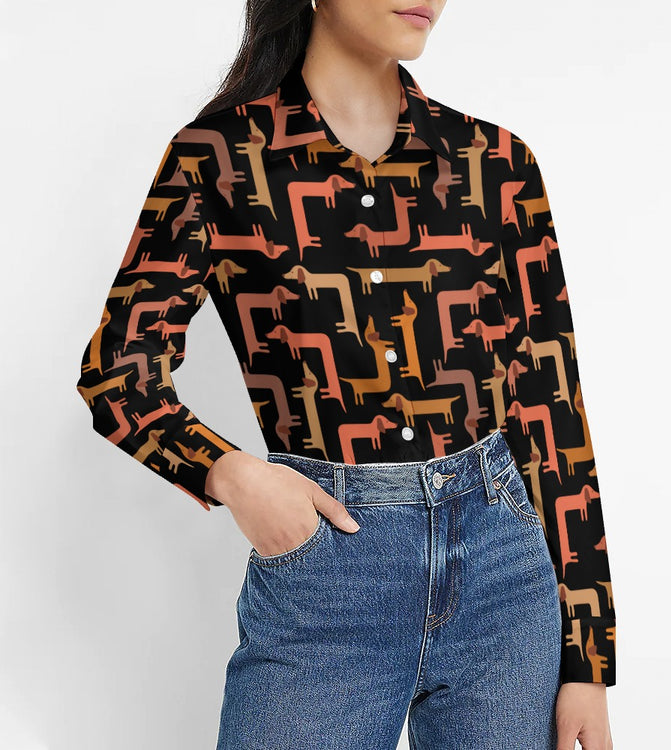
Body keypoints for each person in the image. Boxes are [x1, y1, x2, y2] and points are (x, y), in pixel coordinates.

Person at [75, 0, 617, 747]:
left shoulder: (496, 164)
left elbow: (551, 404)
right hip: (327, 568)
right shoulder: (219, 159)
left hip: (504, 574)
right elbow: (117, 372)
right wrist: (233, 475)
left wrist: (586, 658)